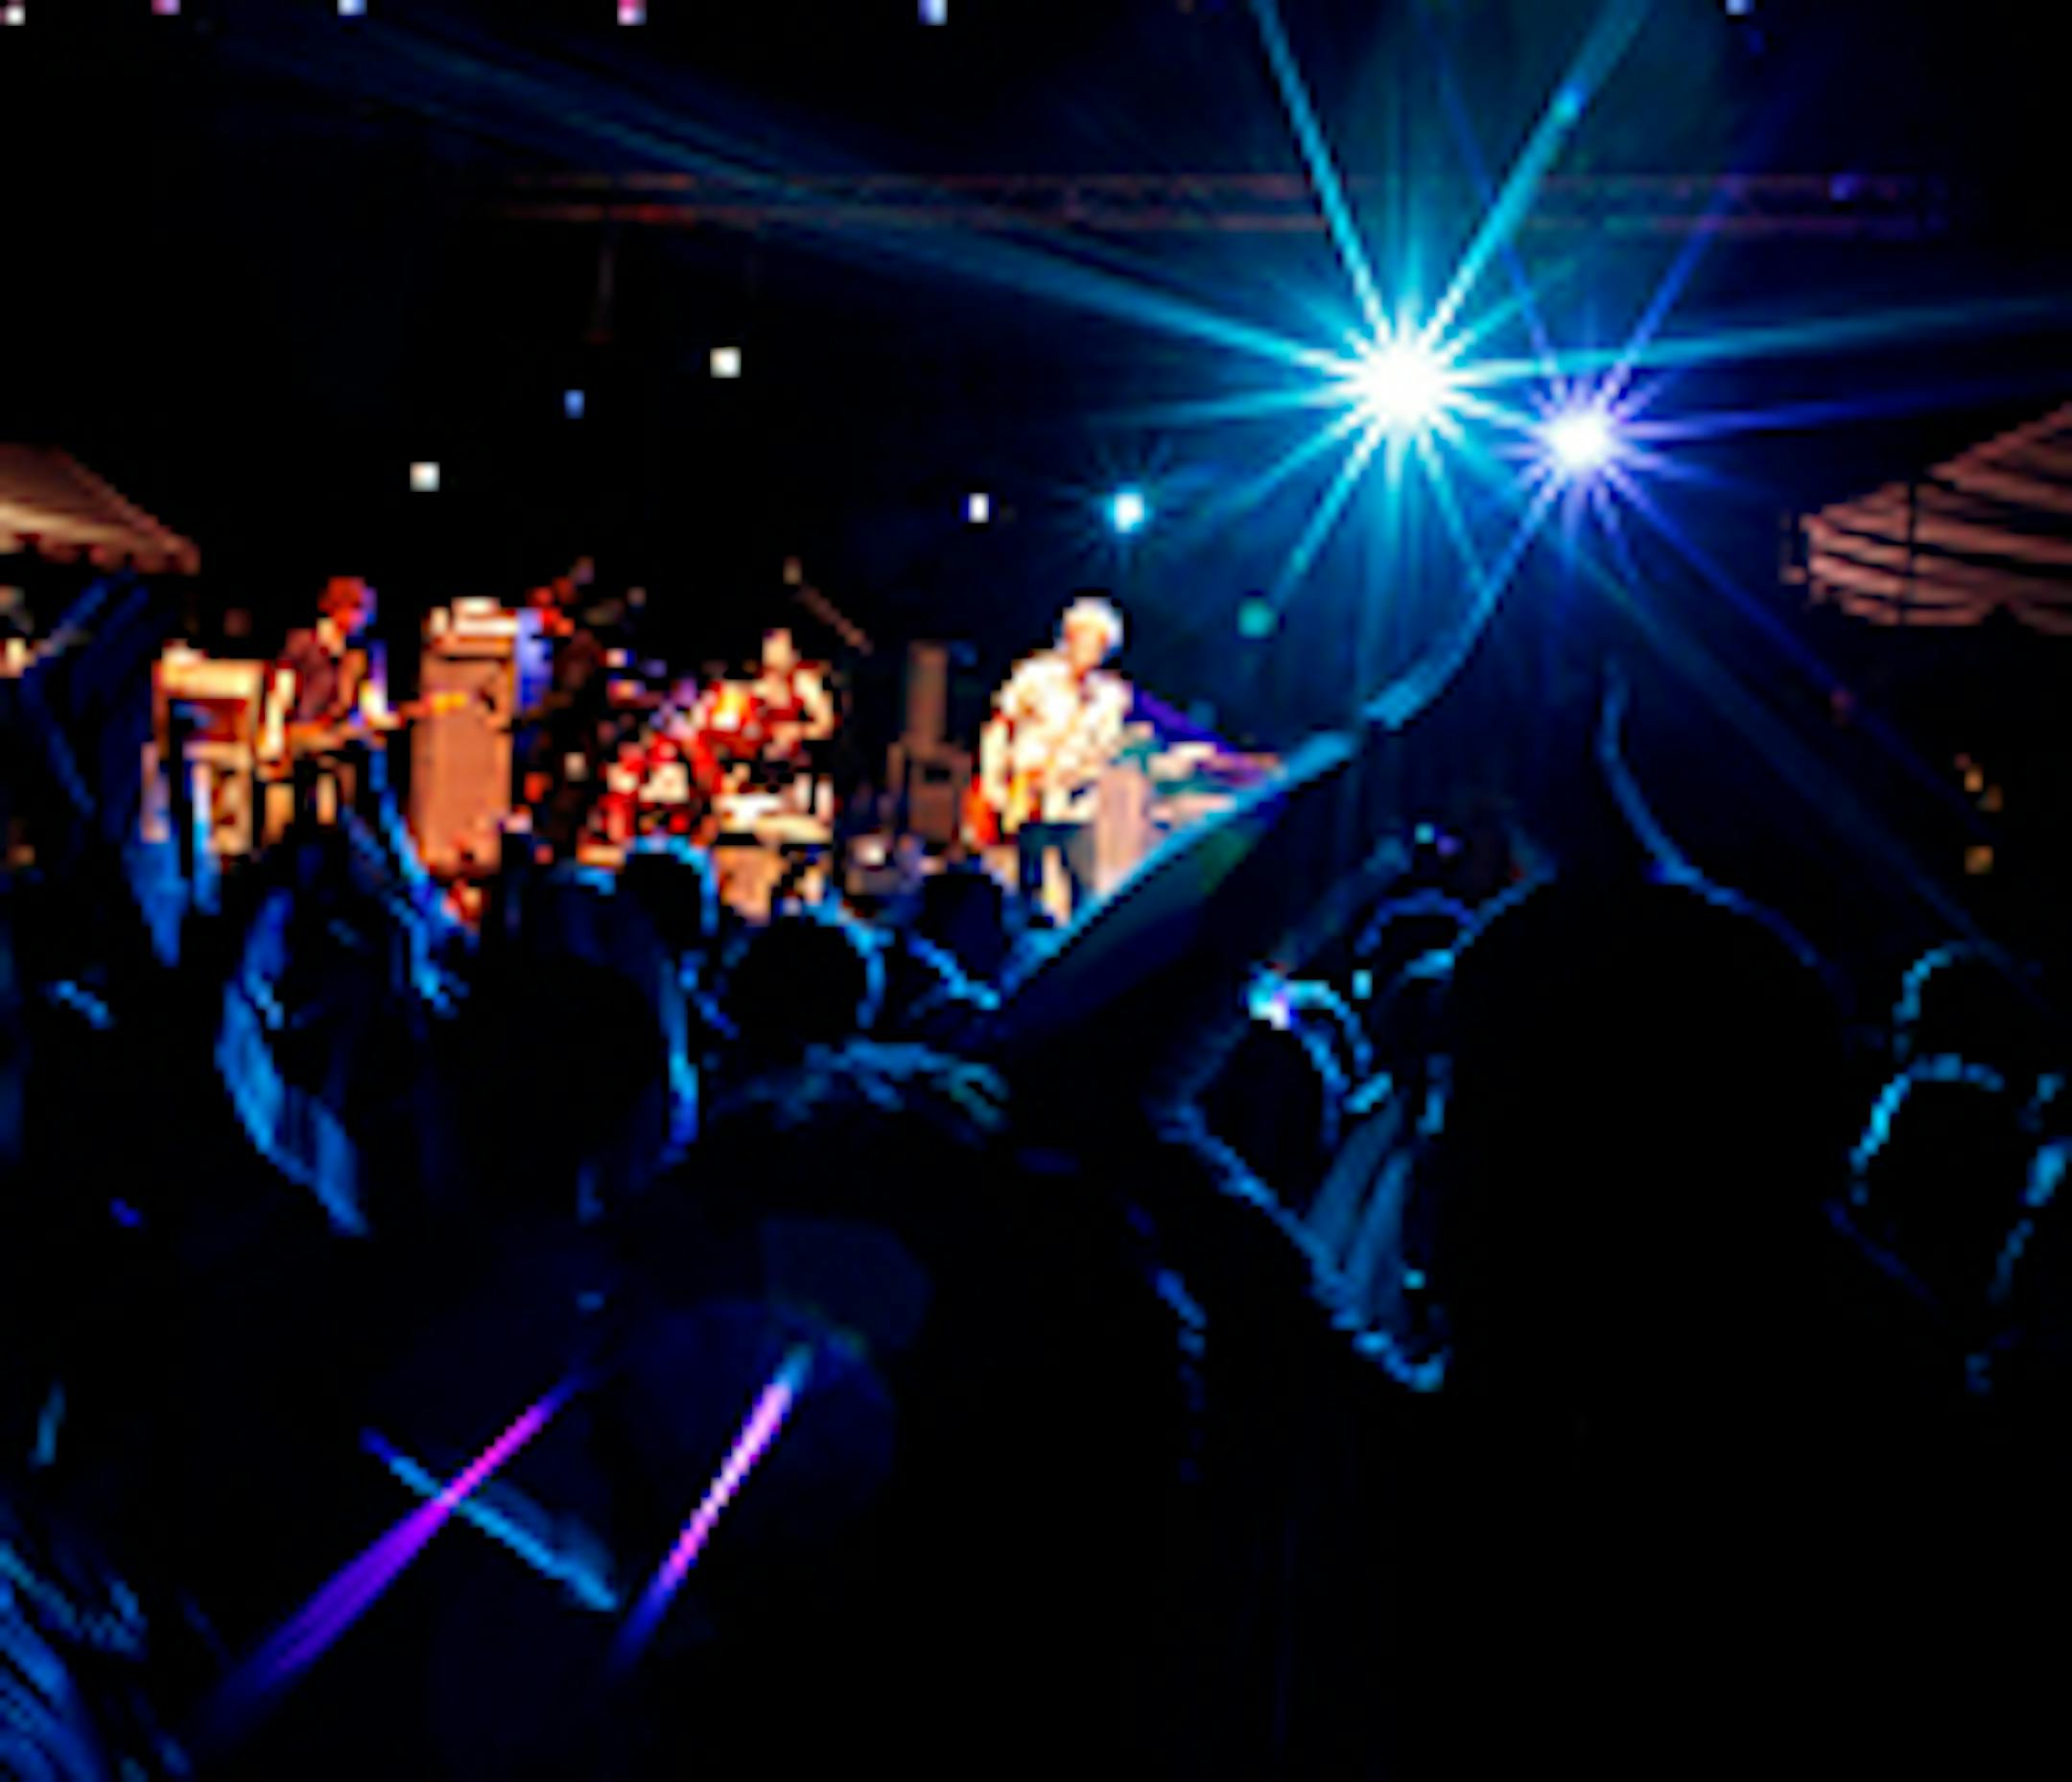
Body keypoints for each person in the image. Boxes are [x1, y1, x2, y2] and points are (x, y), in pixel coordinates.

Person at [985, 596, 1131, 920]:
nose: (1089, 649)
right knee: (1028, 885)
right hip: (1029, 799)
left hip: (1074, 805)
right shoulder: (1034, 676)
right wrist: (994, 781)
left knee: (1083, 888)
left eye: (1098, 643)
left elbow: (1103, 753)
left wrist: (1071, 775)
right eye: (1083, 638)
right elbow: (1000, 727)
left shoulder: (1110, 697)